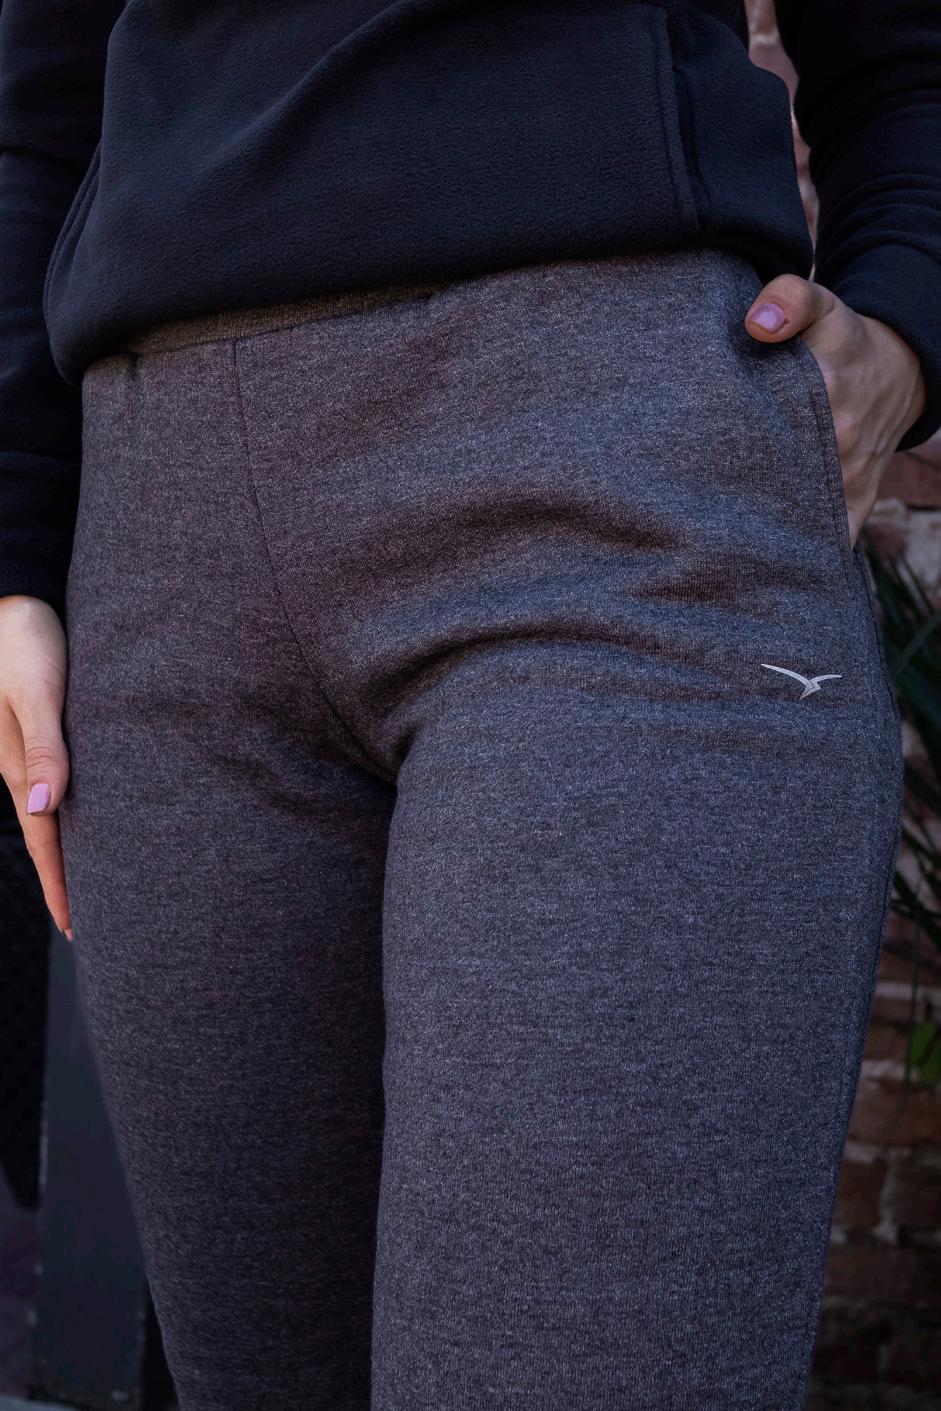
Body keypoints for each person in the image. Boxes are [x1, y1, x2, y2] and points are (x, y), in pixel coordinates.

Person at [0, 2, 937, 1407]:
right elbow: (37, 105)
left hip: (612, 486)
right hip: (169, 544)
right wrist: (13, 545)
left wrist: (908, 317)